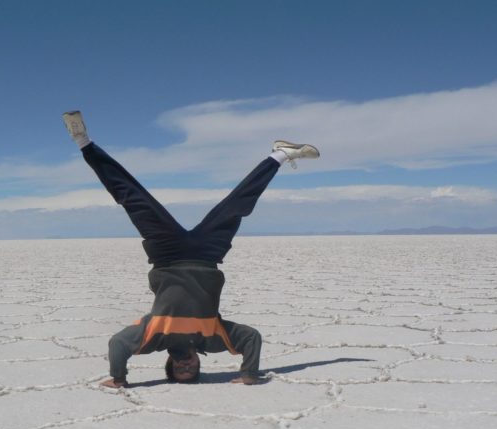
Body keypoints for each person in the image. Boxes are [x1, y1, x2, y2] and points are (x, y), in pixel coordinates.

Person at [63, 111, 319, 388]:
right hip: (207, 255)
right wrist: (248, 374)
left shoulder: (152, 337)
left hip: (167, 254)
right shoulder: (215, 339)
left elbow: (117, 344)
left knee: (133, 198)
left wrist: (119, 378)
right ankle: (281, 154)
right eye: (190, 370)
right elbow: (251, 338)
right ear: (199, 364)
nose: (185, 365)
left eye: (179, 370)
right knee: (239, 204)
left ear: (170, 364)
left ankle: (83, 141)